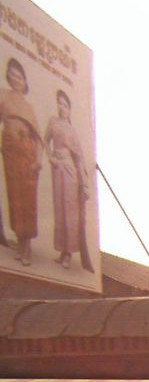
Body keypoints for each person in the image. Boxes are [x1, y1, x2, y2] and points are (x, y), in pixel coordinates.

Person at [45, 89, 93, 272]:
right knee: (59, 211)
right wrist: (50, 157)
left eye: (65, 105)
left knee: (70, 212)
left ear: (70, 109)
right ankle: (61, 251)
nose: (62, 107)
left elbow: (79, 159)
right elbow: (45, 141)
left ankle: (68, 254)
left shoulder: (72, 131)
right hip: (57, 170)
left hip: (70, 172)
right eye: (60, 103)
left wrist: (85, 185)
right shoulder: (52, 122)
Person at [0, 58, 42, 266]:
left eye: (20, 76)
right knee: (15, 200)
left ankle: (27, 247)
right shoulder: (3, 96)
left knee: (27, 203)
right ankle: (19, 242)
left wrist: (38, 161)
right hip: (10, 155)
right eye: (13, 75)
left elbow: (39, 139)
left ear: (25, 81)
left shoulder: (28, 107)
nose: (16, 79)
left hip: (27, 156)